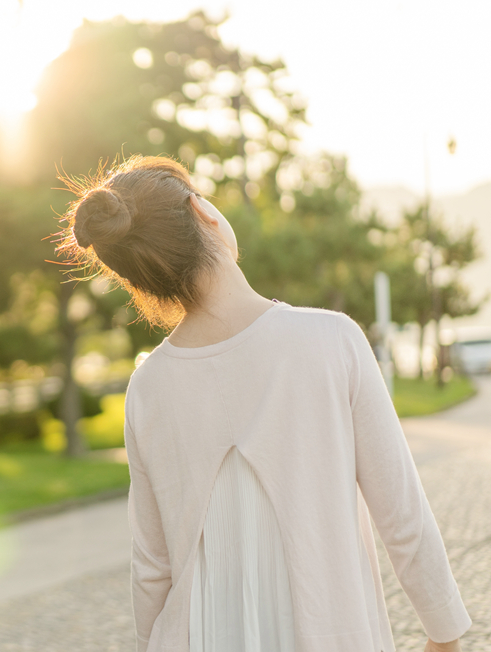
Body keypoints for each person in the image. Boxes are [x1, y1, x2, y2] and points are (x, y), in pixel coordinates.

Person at [55, 155, 471, 652]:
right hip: (328, 631)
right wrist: (445, 635)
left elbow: (151, 567)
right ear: (203, 212)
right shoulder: (330, 339)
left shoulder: (149, 388)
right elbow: (402, 512)